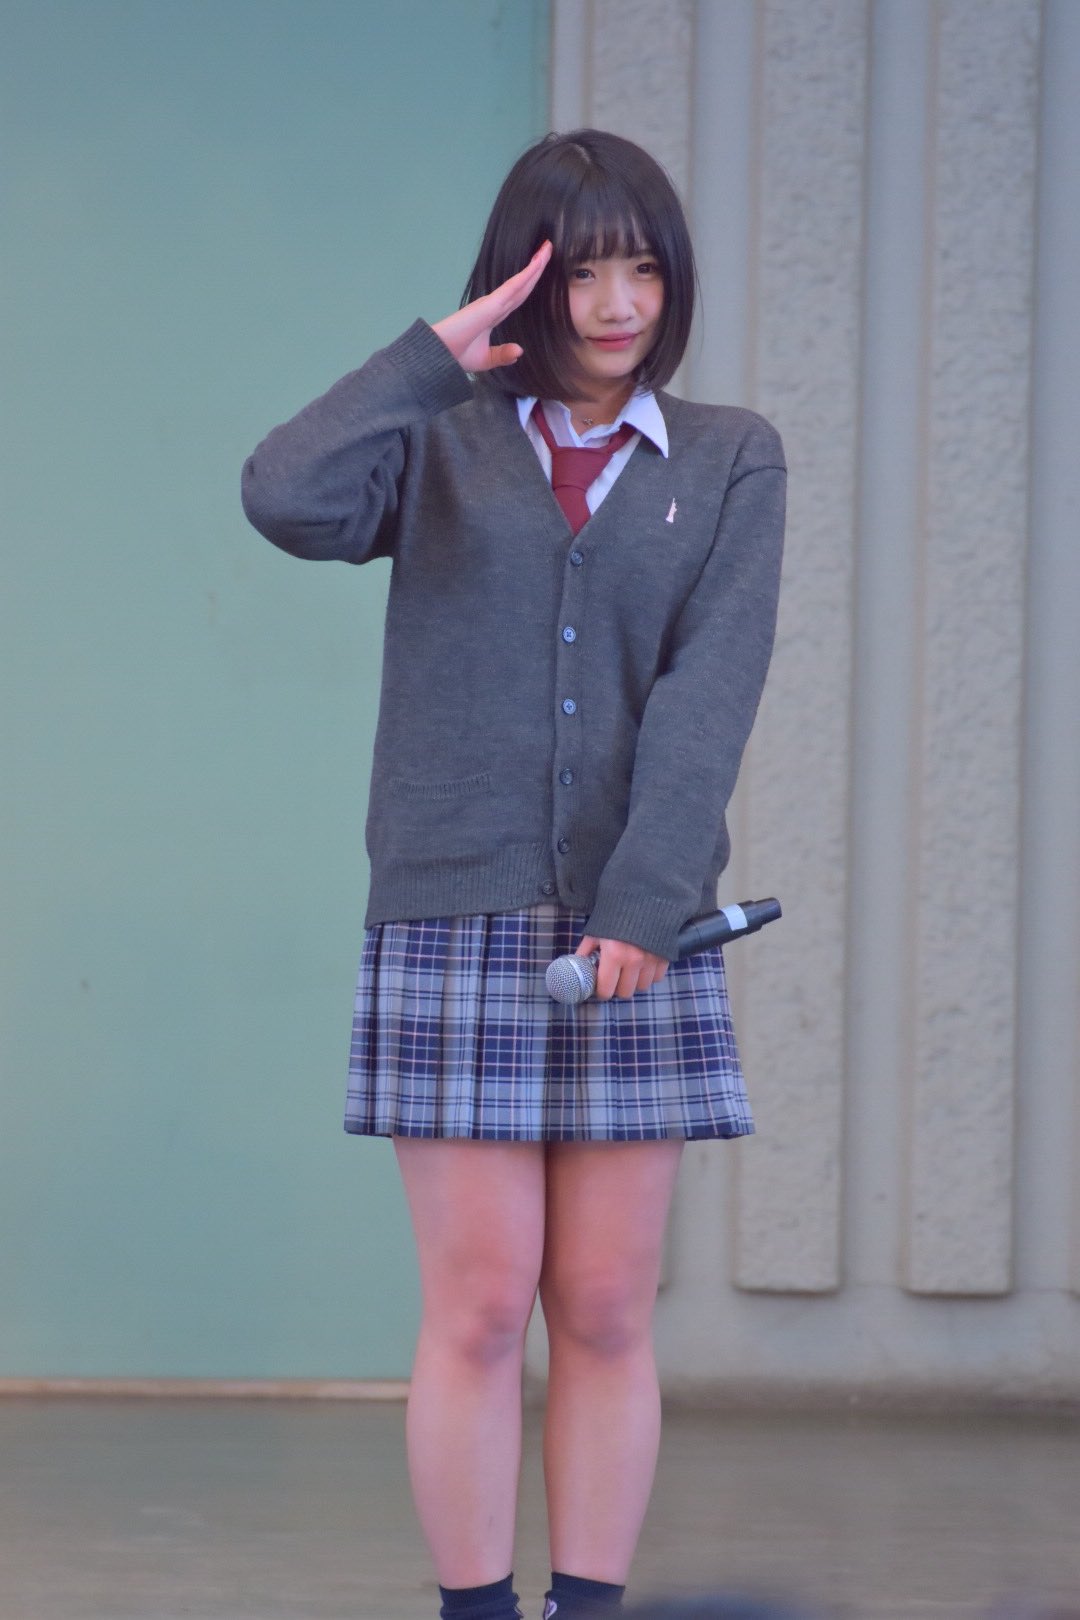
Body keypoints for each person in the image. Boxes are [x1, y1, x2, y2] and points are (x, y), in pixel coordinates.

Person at [241, 129, 786, 1620]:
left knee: (604, 1307)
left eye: (644, 270)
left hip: (636, 928)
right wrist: (430, 358)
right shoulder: (440, 440)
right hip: (452, 912)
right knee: (481, 1308)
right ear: (527, 281)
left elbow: (709, 693)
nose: (618, 305)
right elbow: (283, 494)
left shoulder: (731, 457)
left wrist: (646, 905)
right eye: (584, 272)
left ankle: (588, 1609)